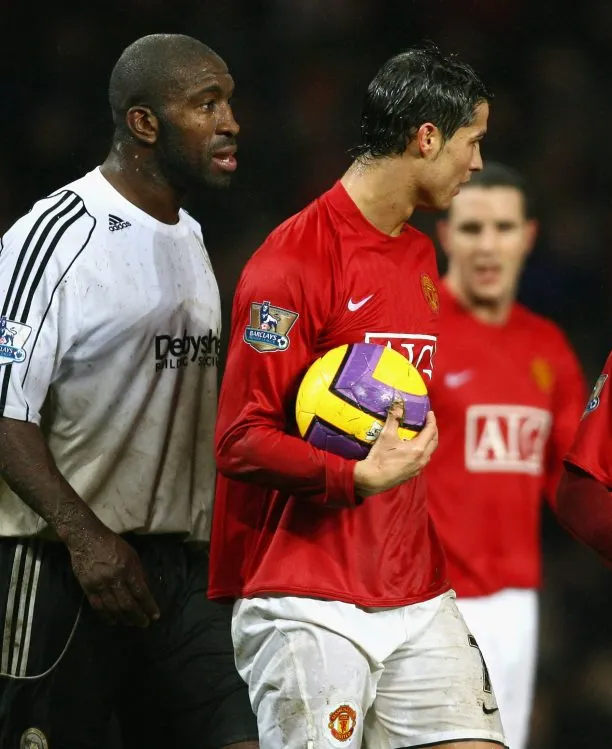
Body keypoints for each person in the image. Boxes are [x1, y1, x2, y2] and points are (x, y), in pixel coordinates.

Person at [209, 44, 505, 749]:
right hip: (308, 594)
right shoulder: (291, 263)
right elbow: (238, 438)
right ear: (426, 137)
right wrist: (353, 474)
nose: (478, 164)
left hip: (414, 587)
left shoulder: (420, 255)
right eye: (473, 142)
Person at [0, 34, 256, 749]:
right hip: (65, 567)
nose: (231, 121)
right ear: (145, 123)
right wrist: (87, 540)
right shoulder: (54, 235)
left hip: (179, 575)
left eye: (228, 100)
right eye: (207, 104)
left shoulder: (193, 237)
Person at [428, 162, 586, 749]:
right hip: (423, 597)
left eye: (503, 227)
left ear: (528, 236)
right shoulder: (416, 332)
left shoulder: (548, 347)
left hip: (513, 602)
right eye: (472, 229)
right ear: (445, 236)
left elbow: (573, 482)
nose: (488, 245)